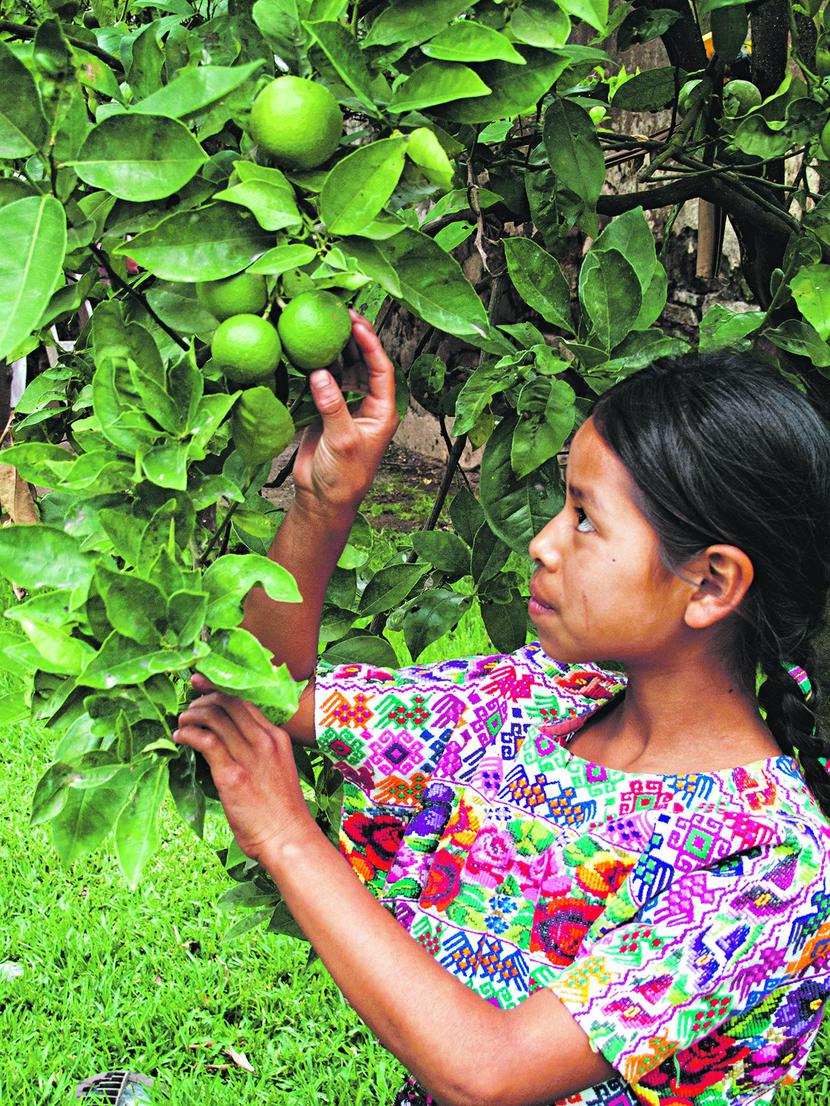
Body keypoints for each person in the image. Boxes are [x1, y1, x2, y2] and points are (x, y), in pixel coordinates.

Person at [173, 312, 830, 1106]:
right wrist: (323, 503)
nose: (543, 543)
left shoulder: (772, 865)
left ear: (712, 583)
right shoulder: (535, 703)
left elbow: (489, 1072)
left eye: (586, 519)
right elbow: (263, 692)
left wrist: (286, 835)